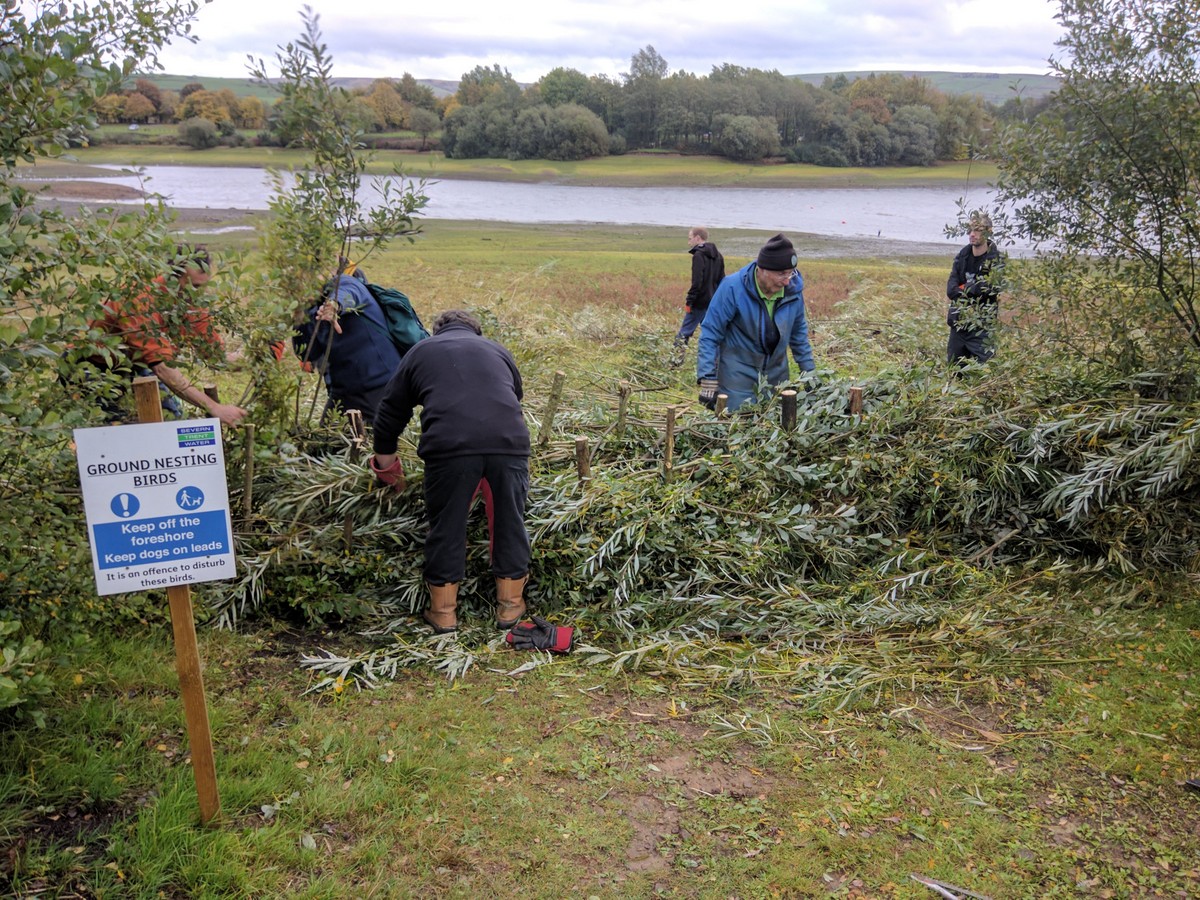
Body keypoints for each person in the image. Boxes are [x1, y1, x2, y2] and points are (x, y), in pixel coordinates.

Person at [370, 310, 532, 634]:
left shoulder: (420, 351)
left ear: (436, 331)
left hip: (450, 446)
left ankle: (443, 613)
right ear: (476, 331)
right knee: (509, 520)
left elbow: (390, 410)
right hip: (508, 443)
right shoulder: (497, 350)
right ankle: (510, 607)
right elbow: (514, 396)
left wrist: (386, 467)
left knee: (447, 523)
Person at [87, 244, 247, 426]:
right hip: (92, 365)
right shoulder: (140, 298)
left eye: (202, 286)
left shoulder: (191, 302)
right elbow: (161, 368)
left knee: (172, 420)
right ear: (173, 277)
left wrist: (256, 359)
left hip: (135, 364)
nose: (198, 293)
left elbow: (216, 357)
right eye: (194, 286)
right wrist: (214, 408)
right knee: (110, 426)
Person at [695, 232, 815, 412]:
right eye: (781, 274)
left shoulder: (793, 293)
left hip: (776, 376)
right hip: (737, 376)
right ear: (762, 269)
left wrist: (811, 376)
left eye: (791, 273)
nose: (787, 281)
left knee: (773, 423)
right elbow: (710, 334)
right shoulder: (732, 288)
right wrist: (708, 380)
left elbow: (799, 338)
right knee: (738, 422)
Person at [292, 272, 402, 420]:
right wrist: (299, 317)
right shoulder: (311, 308)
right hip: (343, 390)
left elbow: (348, 294)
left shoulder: (345, 283)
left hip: (378, 385)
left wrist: (333, 306)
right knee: (329, 432)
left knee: (376, 433)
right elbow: (308, 354)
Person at [946, 210, 1005, 366]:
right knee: (954, 371)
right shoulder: (962, 256)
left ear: (988, 232)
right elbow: (951, 290)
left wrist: (964, 288)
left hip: (982, 327)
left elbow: (990, 288)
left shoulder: (996, 260)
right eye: (971, 230)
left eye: (978, 230)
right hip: (958, 324)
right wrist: (970, 289)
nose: (972, 234)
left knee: (985, 370)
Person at [670, 227, 725, 367]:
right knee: (712, 334)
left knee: (684, 333)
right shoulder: (719, 256)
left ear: (698, 238)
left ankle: (675, 362)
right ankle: (717, 365)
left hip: (699, 302)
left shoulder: (698, 256)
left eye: (690, 238)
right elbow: (722, 281)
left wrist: (689, 301)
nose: (689, 242)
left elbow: (697, 282)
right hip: (713, 302)